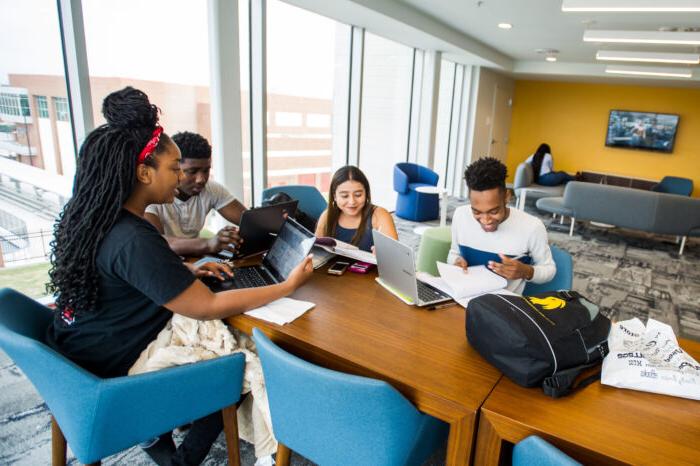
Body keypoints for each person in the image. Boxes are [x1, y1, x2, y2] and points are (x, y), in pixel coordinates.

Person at [45, 87, 313, 466]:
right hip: (110, 376)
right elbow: (207, 306)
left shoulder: (98, 220)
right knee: (237, 364)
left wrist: (184, 271)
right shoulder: (134, 238)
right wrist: (286, 286)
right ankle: (180, 460)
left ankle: (157, 437)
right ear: (143, 172)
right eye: (174, 168)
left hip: (73, 355)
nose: (180, 177)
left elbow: (128, 275)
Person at [447, 157, 556, 294]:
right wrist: (456, 261)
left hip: (502, 307)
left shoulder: (532, 227)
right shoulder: (460, 216)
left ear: (507, 197)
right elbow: (453, 253)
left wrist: (526, 271)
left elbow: (549, 270)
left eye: (494, 211)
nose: (485, 220)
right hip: (463, 298)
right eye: (477, 212)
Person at [145, 131, 246, 256]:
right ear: (175, 168)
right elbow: (156, 243)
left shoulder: (212, 189)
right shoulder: (153, 196)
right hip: (165, 262)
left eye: (206, 170)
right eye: (192, 171)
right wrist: (208, 243)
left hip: (194, 261)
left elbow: (248, 222)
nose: (201, 179)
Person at [316, 166, 398, 252]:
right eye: (345, 196)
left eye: (358, 195)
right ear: (334, 196)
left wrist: (384, 254)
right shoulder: (327, 216)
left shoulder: (379, 215)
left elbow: (394, 255)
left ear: (366, 193)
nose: (352, 202)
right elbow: (317, 252)